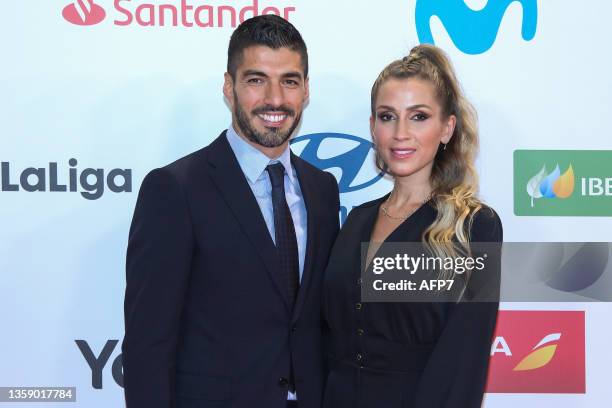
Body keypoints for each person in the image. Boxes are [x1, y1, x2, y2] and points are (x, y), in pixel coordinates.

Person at [122, 15, 340, 408]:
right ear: (229, 86)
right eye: (256, 79)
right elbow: (147, 343)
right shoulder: (175, 189)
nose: (275, 98)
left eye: (289, 80)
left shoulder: (322, 188)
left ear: (306, 90)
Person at [322, 44, 503, 408]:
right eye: (387, 116)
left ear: (447, 128)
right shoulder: (356, 220)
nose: (400, 132)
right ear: (373, 128)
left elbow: (462, 365)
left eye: (418, 116)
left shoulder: (475, 227)